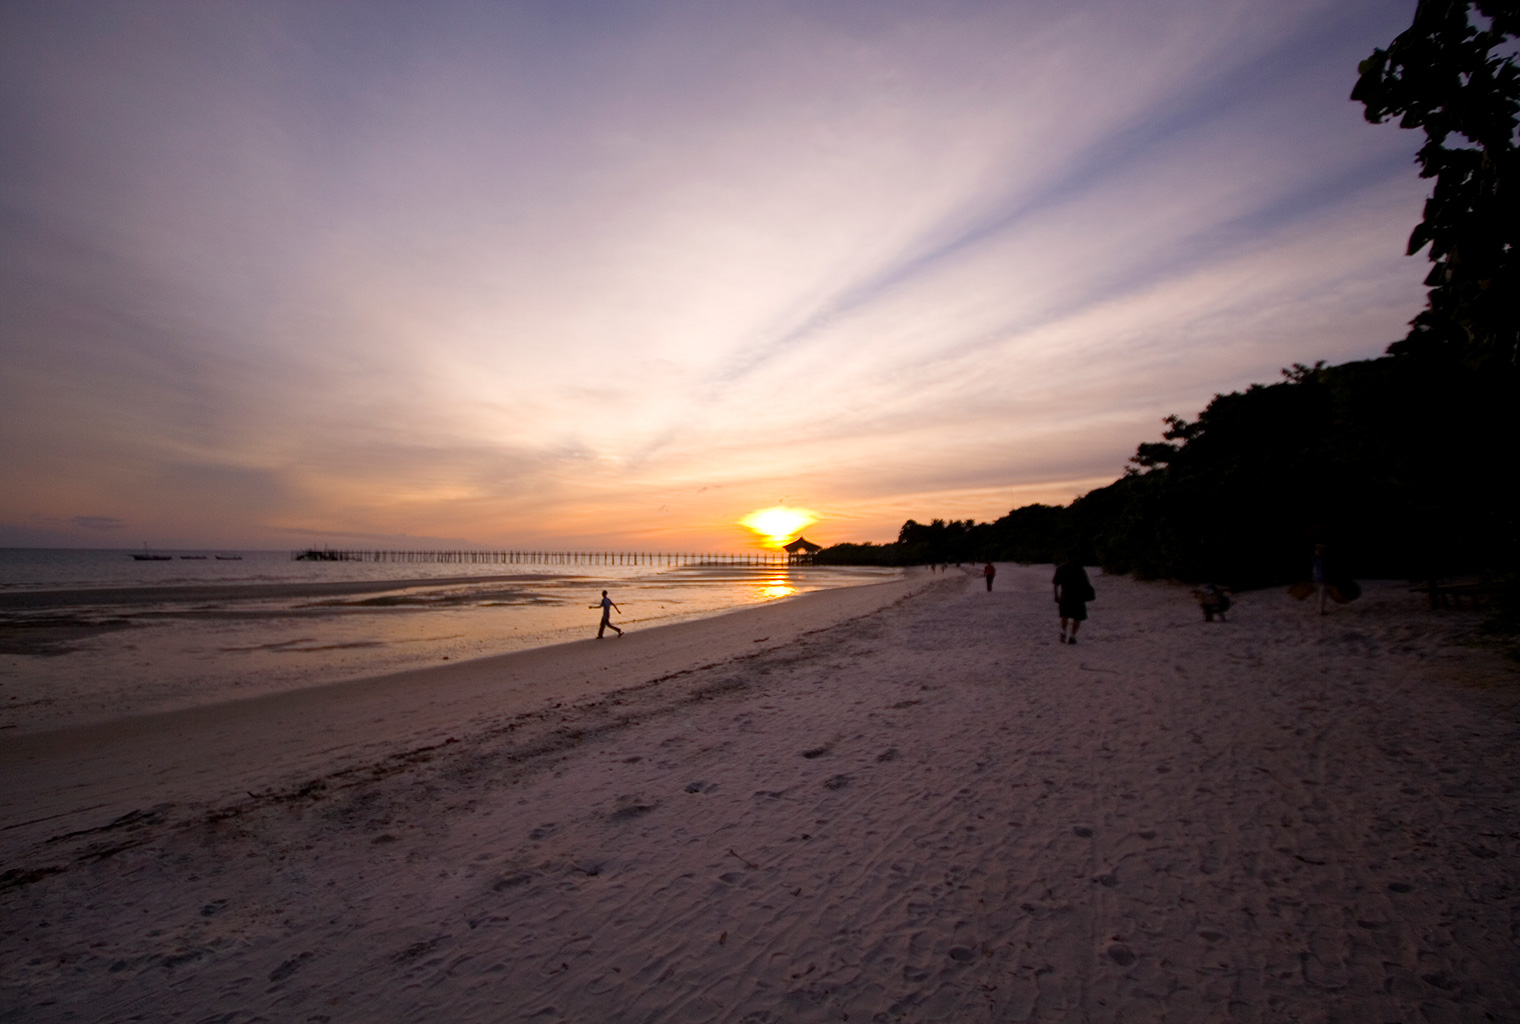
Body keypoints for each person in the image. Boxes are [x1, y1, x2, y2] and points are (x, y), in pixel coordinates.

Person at [1052, 557, 1094, 644]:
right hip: (1078, 597)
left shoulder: (1061, 568)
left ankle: (1063, 632)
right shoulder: (1079, 569)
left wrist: (1056, 595)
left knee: (1064, 615)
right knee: (1078, 618)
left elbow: (1056, 583)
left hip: (1065, 597)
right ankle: (1072, 636)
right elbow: (1086, 583)